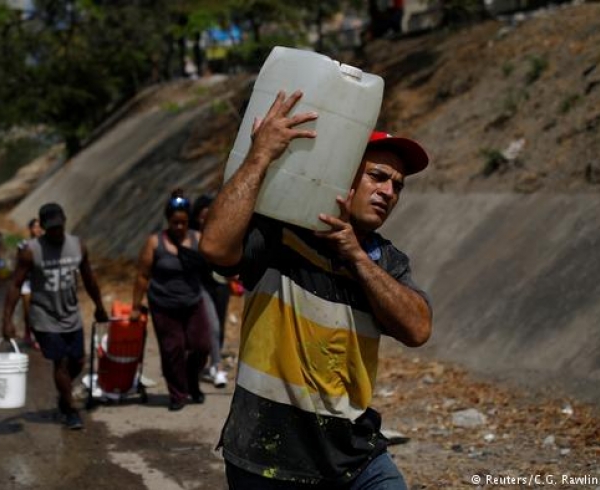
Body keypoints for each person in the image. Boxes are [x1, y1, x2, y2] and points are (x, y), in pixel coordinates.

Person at [199, 90, 433, 489]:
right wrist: (261, 156)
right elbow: (215, 247)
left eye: (397, 186)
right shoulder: (281, 235)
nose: (388, 192)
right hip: (266, 457)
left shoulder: (385, 261)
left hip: (355, 457)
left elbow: (417, 329)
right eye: (377, 177)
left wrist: (357, 258)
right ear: (344, 175)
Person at [2, 203, 108, 430]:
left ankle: (64, 393)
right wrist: (7, 320)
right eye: (51, 229)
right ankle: (70, 410)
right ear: (42, 227)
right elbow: (15, 285)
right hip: (44, 316)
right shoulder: (31, 251)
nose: (56, 233)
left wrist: (99, 305)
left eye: (59, 228)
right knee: (60, 361)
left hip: (71, 313)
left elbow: (89, 277)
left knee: (78, 360)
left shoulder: (77, 245)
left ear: (65, 223)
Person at [130, 189, 212, 411]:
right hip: (164, 305)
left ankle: (192, 381)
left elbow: (213, 262)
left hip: (193, 302)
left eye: (183, 222)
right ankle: (178, 394)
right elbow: (142, 276)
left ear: (189, 221)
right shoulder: (154, 243)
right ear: (168, 220)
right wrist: (135, 307)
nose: (179, 227)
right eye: (175, 222)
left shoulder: (197, 239)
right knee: (172, 349)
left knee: (202, 346)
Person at [191, 194, 231, 389]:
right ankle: (217, 365)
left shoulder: (221, 232)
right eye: (201, 217)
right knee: (212, 326)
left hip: (221, 284)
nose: (204, 220)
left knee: (220, 326)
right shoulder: (192, 237)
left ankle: (212, 362)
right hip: (201, 286)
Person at [20, 218, 44, 349]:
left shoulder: (46, 244)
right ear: (30, 229)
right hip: (28, 282)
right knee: (28, 311)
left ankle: (39, 336)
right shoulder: (23, 245)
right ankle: (28, 332)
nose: (38, 229)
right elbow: (19, 265)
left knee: (41, 310)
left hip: (42, 281)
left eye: (40, 227)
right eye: (35, 227)